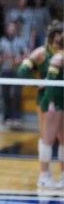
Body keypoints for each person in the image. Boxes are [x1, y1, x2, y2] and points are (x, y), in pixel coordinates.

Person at [18, 21, 63, 187]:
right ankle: (44, 175)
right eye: (57, 36)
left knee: (62, 138)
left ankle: (60, 175)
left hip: (61, 98)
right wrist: (38, 83)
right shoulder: (42, 53)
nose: (59, 39)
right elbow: (22, 70)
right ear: (52, 37)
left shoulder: (61, 53)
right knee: (46, 137)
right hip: (46, 100)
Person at [0, 22, 27, 130]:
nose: (12, 30)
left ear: (15, 30)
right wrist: (4, 58)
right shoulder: (1, 42)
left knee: (17, 94)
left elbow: (27, 55)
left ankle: (16, 117)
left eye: (13, 29)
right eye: (10, 29)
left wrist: (19, 59)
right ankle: (7, 117)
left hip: (17, 71)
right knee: (6, 95)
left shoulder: (21, 41)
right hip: (5, 71)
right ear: (6, 30)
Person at [42, 42, 64, 188]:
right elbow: (50, 82)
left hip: (62, 103)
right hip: (53, 104)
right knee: (48, 140)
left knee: (63, 140)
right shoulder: (57, 59)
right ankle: (44, 176)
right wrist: (50, 102)